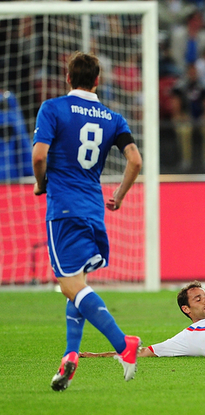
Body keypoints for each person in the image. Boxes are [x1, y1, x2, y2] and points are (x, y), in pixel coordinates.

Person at [32, 52, 143, 391]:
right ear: (97, 81)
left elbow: (39, 155)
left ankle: (123, 344)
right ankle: (70, 354)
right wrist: (119, 195)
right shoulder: (113, 118)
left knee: (69, 286)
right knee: (78, 284)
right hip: (94, 209)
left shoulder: (53, 108)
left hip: (64, 208)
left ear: (68, 78)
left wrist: (40, 183)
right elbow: (135, 161)